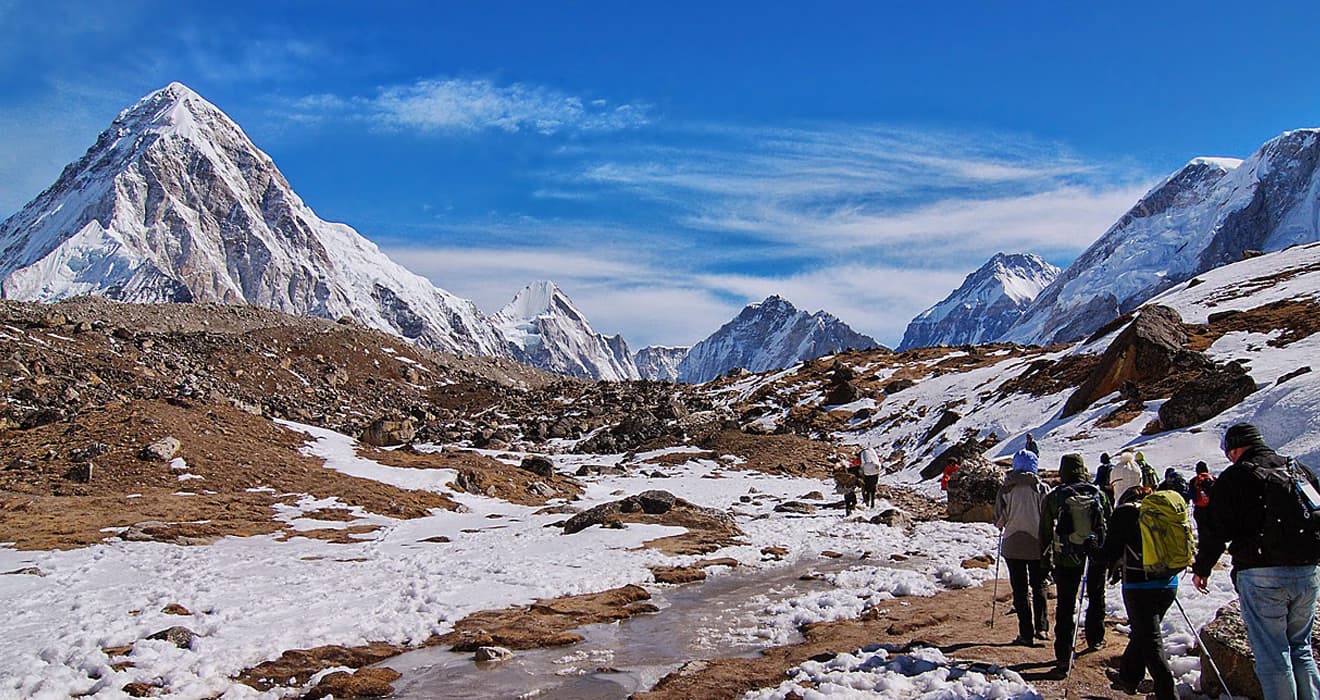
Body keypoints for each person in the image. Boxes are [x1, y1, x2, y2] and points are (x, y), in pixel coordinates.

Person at [1193, 423, 1320, 700]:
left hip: (1262, 574)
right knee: (1300, 648)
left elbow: (1218, 530)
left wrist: (1202, 568)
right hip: (1308, 572)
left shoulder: (1236, 476)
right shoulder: (1297, 469)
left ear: (1236, 448)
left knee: (1272, 653)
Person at [1101, 483, 1180, 699]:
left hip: (1139, 584)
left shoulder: (1125, 513)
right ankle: (1128, 677)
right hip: (1169, 582)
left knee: (1150, 639)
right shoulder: (1160, 511)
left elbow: (1109, 552)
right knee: (1144, 633)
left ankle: (1168, 694)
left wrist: (1091, 548)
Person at [1041, 452, 1110, 677]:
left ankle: (1063, 655)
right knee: (1096, 597)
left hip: (1066, 559)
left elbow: (1045, 530)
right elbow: (1108, 521)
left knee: (1066, 605)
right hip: (1095, 556)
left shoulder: (1055, 496)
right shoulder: (1098, 493)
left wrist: (1045, 558)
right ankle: (1095, 638)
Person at [995, 449, 1050, 645]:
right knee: (1039, 586)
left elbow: (1000, 520)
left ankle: (1025, 633)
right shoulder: (1043, 489)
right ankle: (1042, 628)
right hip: (1037, 544)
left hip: (1013, 544)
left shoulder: (1005, 489)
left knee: (1020, 589)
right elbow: (1048, 518)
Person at [1188, 460, 1215, 535]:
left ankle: (1205, 545)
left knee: (1203, 531)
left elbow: (1190, 494)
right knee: (1215, 530)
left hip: (1200, 508)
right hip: (1212, 507)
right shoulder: (1213, 478)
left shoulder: (1193, 480)